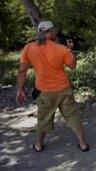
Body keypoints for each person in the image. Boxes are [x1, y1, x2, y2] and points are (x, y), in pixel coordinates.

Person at [16, 20, 89, 152]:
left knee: (43, 119)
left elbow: (22, 70)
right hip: (64, 89)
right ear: (52, 31)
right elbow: (73, 67)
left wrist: (20, 90)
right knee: (73, 116)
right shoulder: (61, 49)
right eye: (55, 29)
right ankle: (83, 144)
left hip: (44, 92)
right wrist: (69, 50)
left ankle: (38, 145)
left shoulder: (29, 48)